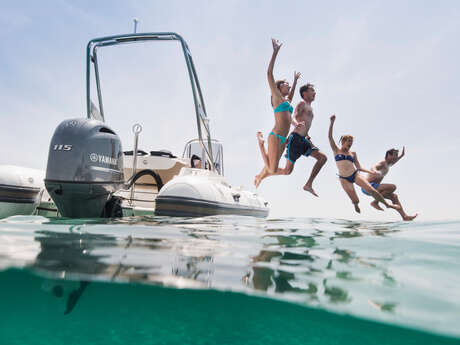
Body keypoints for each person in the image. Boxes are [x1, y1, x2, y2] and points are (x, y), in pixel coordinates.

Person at [255, 84, 327, 196]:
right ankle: (263, 174)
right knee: (287, 171)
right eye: (312, 90)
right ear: (304, 93)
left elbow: (306, 124)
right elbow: (293, 116)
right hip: (295, 140)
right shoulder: (302, 104)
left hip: (303, 140)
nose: (314, 92)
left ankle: (308, 185)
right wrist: (295, 123)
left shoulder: (310, 108)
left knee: (322, 158)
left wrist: (307, 136)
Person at [328, 114, 400, 214]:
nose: (350, 143)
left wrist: (371, 172)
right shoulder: (336, 150)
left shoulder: (353, 154)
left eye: (352, 142)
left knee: (372, 190)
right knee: (355, 200)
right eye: (349, 141)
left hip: (355, 174)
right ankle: (356, 204)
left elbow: (359, 167)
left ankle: (387, 205)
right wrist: (332, 123)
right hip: (344, 178)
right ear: (343, 141)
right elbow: (330, 138)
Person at [255, 38, 300, 183]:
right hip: (275, 137)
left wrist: (295, 81)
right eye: (286, 85)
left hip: (283, 139)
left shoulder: (286, 101)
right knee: (273, 169)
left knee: (271, 166)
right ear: (279, 87)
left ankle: (260, 176)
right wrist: (275, 52)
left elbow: (291, 99)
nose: (288, 87)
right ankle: (261, 144)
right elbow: (269, 74)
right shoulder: (276, 97)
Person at [363, 148, 417, 221]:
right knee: (392, 187)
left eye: (397, 155)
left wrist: (401, 156)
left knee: (394, 197)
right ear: (388, 155)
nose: (396, 157)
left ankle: (405, 217)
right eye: (395, 155)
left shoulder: (389, 164)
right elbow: (374, 167)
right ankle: (375, 202)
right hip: (368, 186)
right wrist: (375, 171)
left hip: (376, 188)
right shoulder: (383, 162)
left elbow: (395, 161)